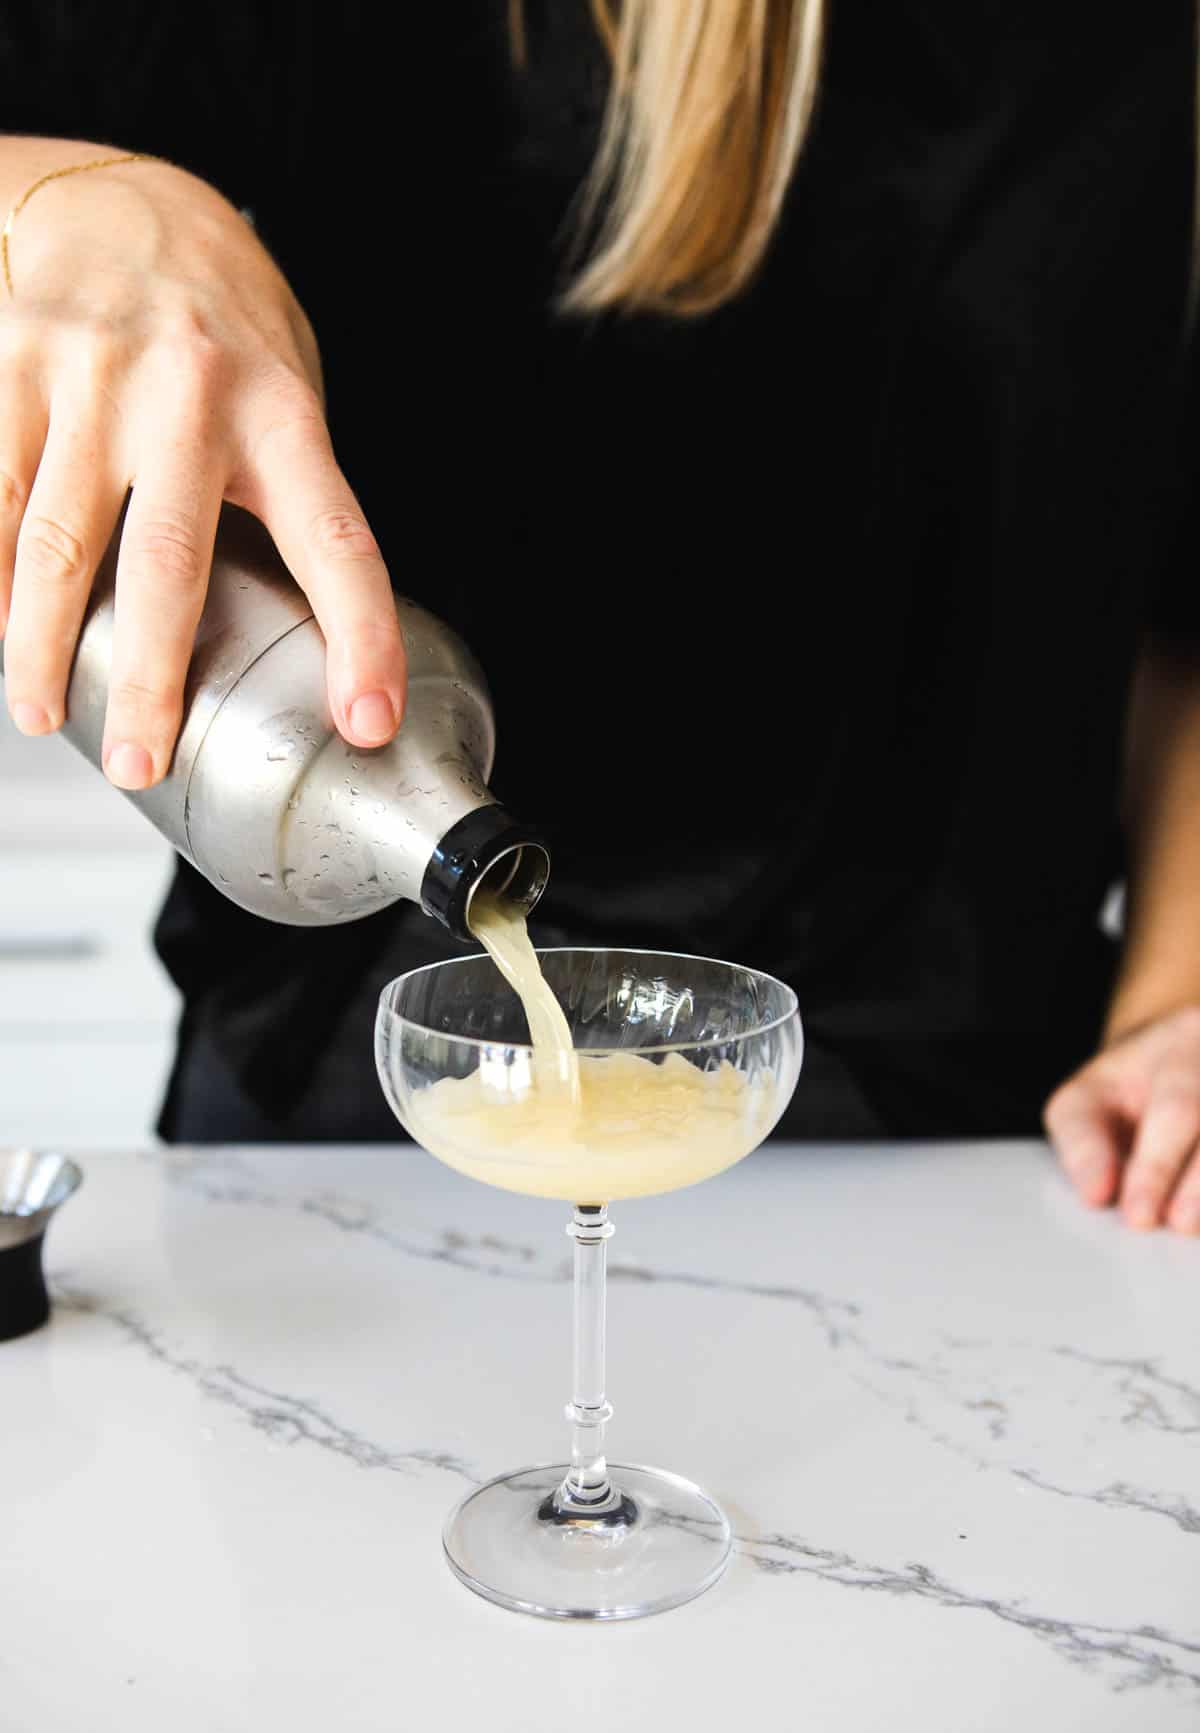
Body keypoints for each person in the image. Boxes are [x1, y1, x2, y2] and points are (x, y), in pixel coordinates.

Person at [2, 2, 1199, 1232]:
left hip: (997, 1143)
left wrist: (1180, 999)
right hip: (360, 1131)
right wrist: (61, 201)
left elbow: (1170, 583)